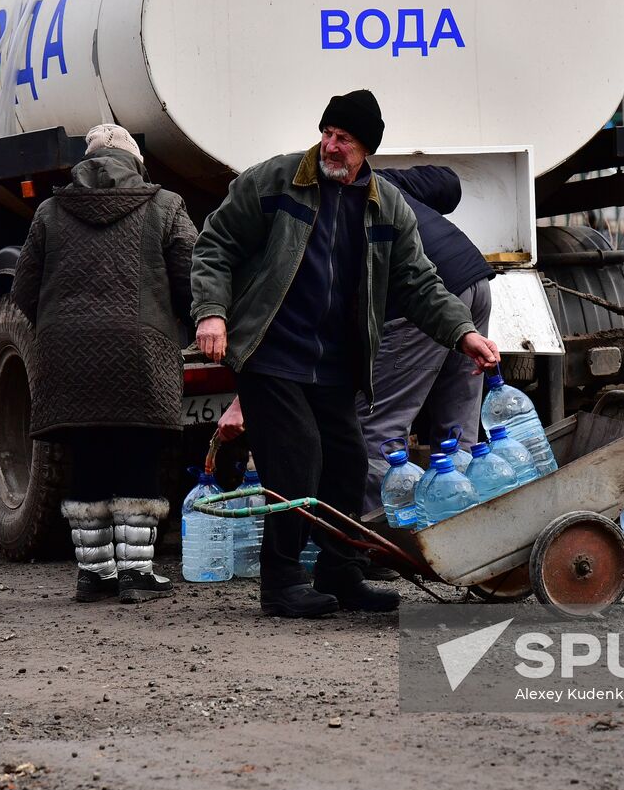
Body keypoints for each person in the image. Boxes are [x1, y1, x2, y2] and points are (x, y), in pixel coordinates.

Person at [190, 89, 501, 618]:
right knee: (295, 457)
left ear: (366, 150)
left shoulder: (385, 203)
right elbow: (215, 243)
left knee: (348, 462)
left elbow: (418, 281)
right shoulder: (275, 180)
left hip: (335, 363)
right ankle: (282, 581)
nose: (332, 147)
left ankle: (341, 571)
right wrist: (212, 311)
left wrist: (462, 333)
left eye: (345, 140)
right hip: (271, 352)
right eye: (328, 134)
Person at [12, 124, 197, 605]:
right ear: (135, 161)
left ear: (85, 161)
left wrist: (60, 329)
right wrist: (179, 322)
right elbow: (191, 277)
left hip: (67, 354)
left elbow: (23, 291)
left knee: (87, 452)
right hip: (140, 351)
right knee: (137, 451)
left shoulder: (49, 212)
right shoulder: (165, 205)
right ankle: (137, 573)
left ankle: (94, 574)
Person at [359, 165, 493, 519]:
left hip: (423, 300)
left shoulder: (326, 200)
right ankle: (463, 525)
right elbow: (448, 182)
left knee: (378, 426)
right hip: (473, 279)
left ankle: (381, 539)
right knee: (459, 430)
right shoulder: (381, 180)